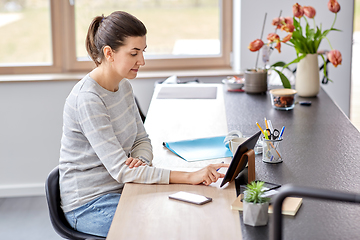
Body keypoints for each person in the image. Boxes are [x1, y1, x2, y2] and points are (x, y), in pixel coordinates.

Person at [59, 11, 228, 237]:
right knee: (156, 231)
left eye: (143, 51)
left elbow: (142, 139)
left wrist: (140, 161)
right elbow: (121, 171)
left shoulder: (124, 86)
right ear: (109, 53)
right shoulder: (88, 99)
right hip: (89, 204)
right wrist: (189, 176)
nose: (142, 61)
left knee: (180, 218)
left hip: (125, 187)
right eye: (134, 53)